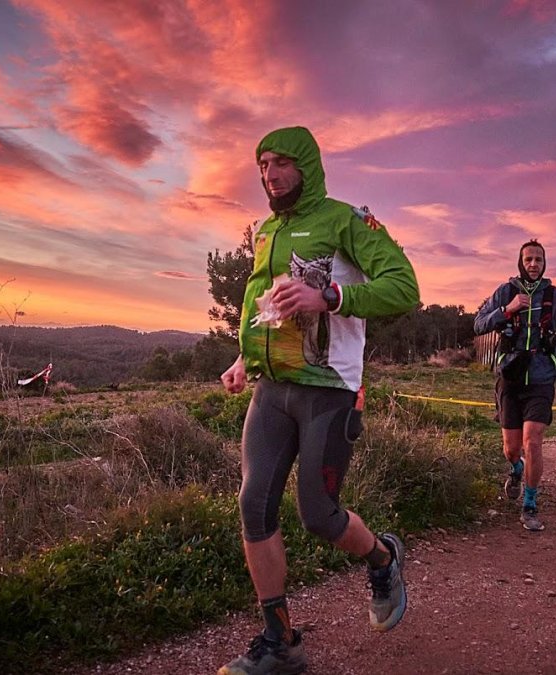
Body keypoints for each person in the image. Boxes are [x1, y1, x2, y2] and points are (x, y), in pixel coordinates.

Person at [218, 126, 420, 675]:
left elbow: (404, 286)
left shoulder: (346, 220)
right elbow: (262, 300)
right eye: (263, 165)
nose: (271, 175)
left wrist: (330, 295)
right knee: (253, 504)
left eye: (282, 163)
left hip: (329, 390)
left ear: (306, 166)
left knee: (319, 516)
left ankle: (382, 557)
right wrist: (246, 357)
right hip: (272, 389)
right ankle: (281, 644)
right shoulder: (266, 232)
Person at [473, 239, 556, 532]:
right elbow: (478, 324)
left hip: (542, 378)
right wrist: (506, 311)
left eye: (538, 260)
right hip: (510, 377)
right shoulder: (505, 292)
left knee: (533, 441)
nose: (533, 264)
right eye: (529, 259)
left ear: (545, 263)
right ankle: (516, 469)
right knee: (512, 448)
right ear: (521, 262)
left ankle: (530, 505)